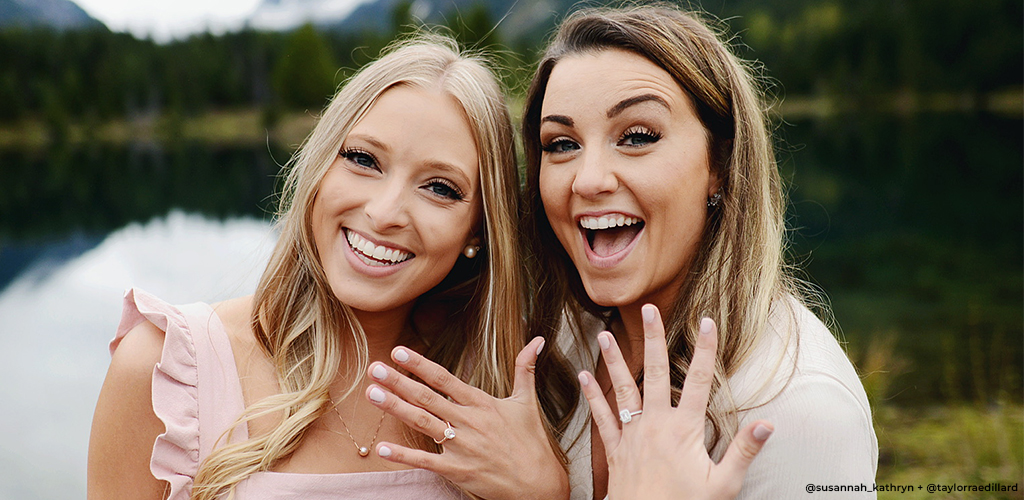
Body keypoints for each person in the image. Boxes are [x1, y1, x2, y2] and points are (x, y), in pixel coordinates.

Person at [87, 34, 569, 500]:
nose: (384, 213)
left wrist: (544, 495)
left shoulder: (518, 386)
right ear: (319, 168)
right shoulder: (165, 371)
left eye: (440, 188)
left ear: (479, 232)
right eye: (363, 159)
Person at [521, 5, 879, 499]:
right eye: (561, 144)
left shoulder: (800, 408)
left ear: (720, 162)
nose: (587, 179)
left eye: (637, 137)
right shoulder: (556, 342)